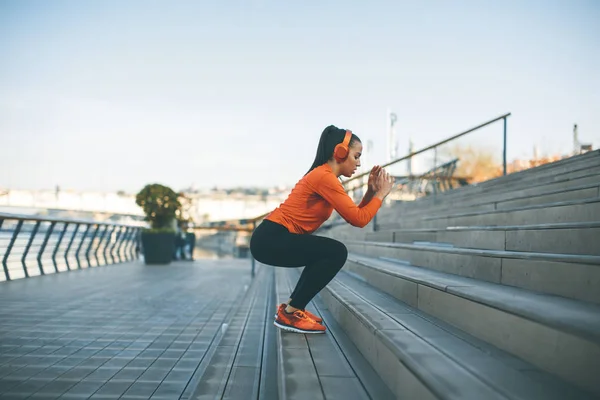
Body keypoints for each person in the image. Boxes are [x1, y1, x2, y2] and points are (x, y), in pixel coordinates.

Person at [250, 125, 395, 334]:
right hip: (272, 238)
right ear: (340, 152)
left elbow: (355, 214)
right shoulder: (324, 177)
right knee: (335, 252)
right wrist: (380, 195)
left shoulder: (327, 178)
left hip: (271, 237)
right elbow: (359, 220)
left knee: (323, 253)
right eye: (356, 156)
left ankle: (292, 310)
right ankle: (291, 313)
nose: (359, 163)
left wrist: (371, 193)